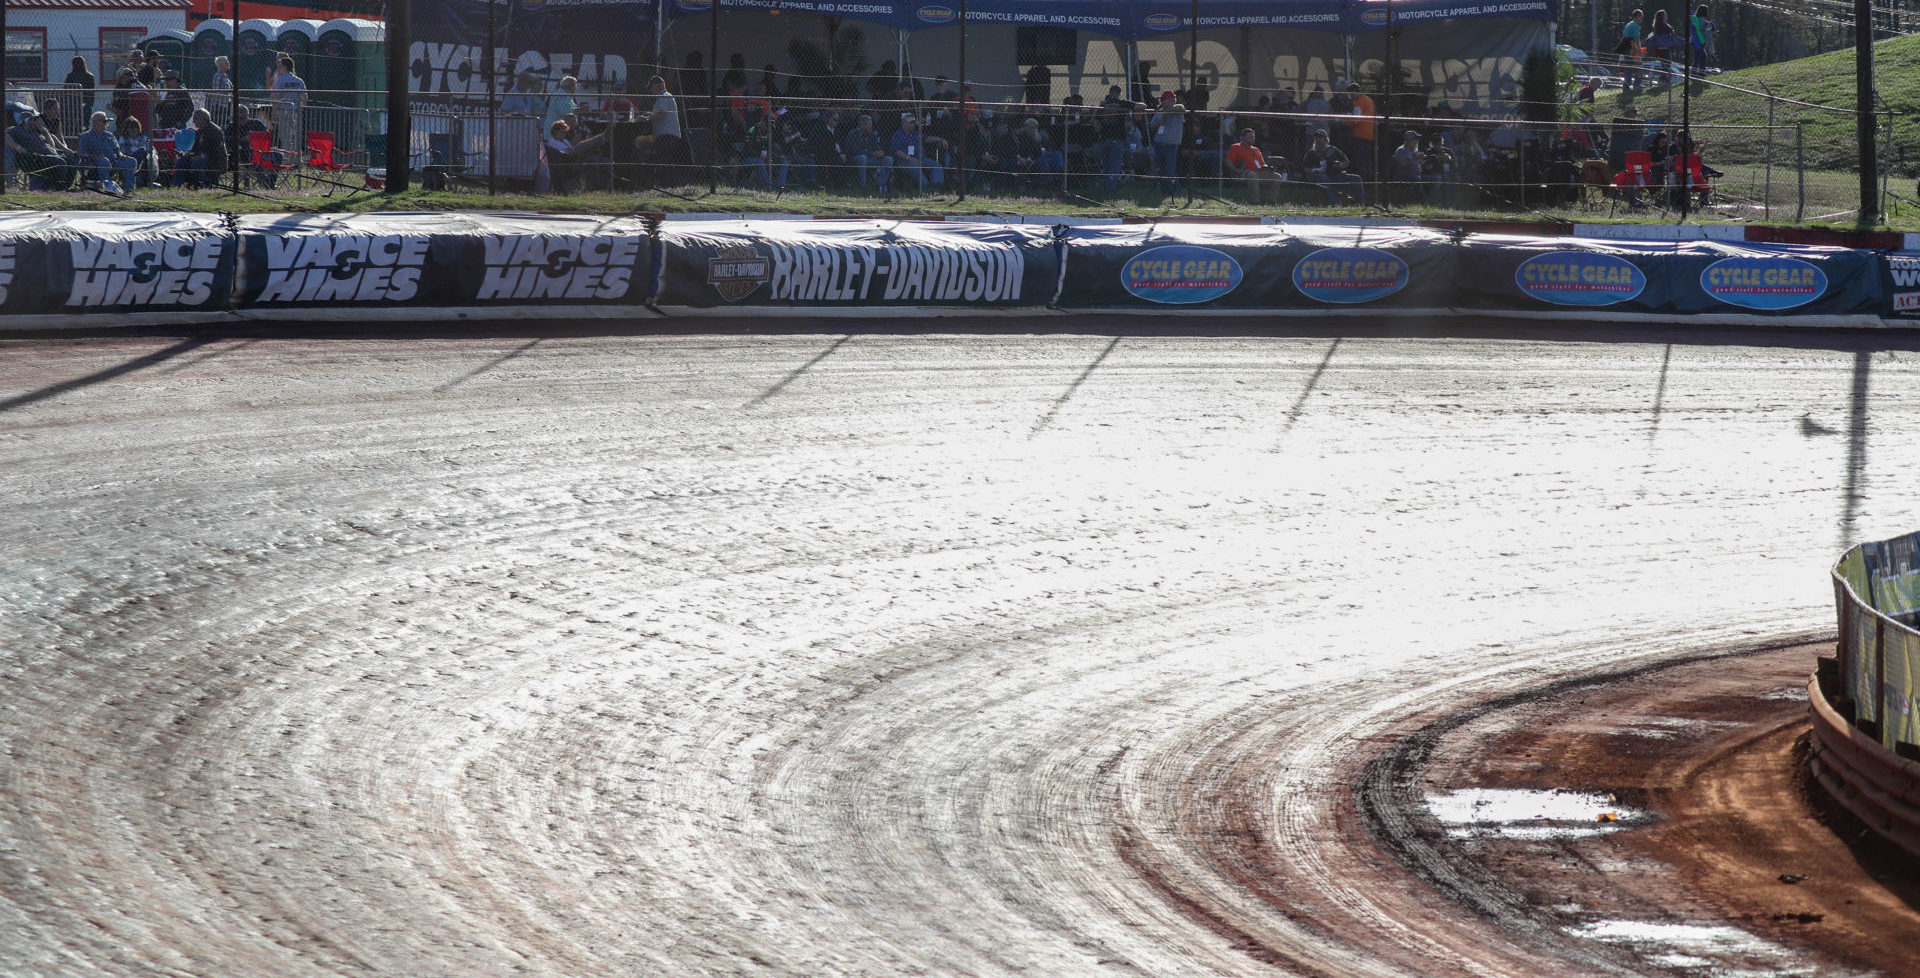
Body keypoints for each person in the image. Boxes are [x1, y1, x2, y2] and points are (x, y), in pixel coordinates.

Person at [6, 112, 77, 189]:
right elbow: (4, 135)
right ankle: (58, 188)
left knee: (72, 160)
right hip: (36, 158)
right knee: (60, 162)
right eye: (34, 120)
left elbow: (52, 146)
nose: (37, 122)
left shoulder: (37, 132)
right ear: (28, 121)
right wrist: (17, 147)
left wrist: (46, 134)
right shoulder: (17, 130)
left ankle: (66, 187)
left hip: (52, 154)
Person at [77, 111, 136, 192]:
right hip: (95, 163)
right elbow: (81, 153)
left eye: (107, 121)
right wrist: (93, 156)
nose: (106, 123)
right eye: (104, 121)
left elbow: (117, 150)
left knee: (131, 161)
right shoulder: (85, 136)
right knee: (104, 161)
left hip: (113, 161)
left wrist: (120, 155)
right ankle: (108, 187)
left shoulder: (110, 135)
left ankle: (128, 189)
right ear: (94, 122)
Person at [1224, 126, 1287, 203]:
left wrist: (1269, 168)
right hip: (1244, 173)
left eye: (1253, 136)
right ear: (1243, 137)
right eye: (1250, 136)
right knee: (1252, 174)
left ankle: (1271, 202)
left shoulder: (1256, 149)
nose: (1252, 138)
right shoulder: (1235, 147)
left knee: (1277, 176)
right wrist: (1236, 170)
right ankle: (1254, 201)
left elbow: (1262, 164)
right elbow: (1228, 161)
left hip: (1259, 172)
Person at [1095, 84, 1138, 193]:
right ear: (1119, 94)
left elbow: (1095, 121)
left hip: (1104, 138)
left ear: (1110, 92)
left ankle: (1106, 187)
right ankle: (1111, 189)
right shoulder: (1122, 103)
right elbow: (1141, 106)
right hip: (1118, 139)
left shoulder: (1103, 105)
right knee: (1115, 166)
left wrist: (1100, 130)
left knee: (1105, 165)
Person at [1302, 127, 1362, 201]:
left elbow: (1346, 162)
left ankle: (1360, 202)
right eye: (1316, 138)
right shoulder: (1311, 153)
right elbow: (1305, 168)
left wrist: (1340, 164)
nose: (1318, 140)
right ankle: (1334, 204)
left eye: (1321, 138)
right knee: (1323, 180)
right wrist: (1315, 172)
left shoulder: (1333, 150)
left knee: (1356, 178)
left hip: (1338, 175)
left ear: (1326, 139)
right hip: (1322, 177)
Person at [176, 108, 227, 188]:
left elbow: (215, 151)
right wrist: (186, 154)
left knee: (197, 163)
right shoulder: (199, 132)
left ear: (202, 120)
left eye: (195, 119)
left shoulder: (216, 131)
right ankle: (176, 185)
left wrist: (200, 156)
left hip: (215, 161)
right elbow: (195, 149)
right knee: (182, 161)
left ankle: (205, 185)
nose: (193, 122)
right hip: (202, 158)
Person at [1147, 90, 1185, 194]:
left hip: (1171, 145)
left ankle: (1176, 190)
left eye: (1166, 99)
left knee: (1170, 169)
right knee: (1160, 168)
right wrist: (1160, 119)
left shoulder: (1177, 110)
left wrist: (1167, 112)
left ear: (1172, 100)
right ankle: (1164, 190)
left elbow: (1181, 108)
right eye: (1163, 100)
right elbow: (1152, 126)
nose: (1163, 102)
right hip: (1159, 144)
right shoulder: (1159, 112)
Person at [888, 112, 935, 193]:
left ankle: (936, 186)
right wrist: (909, 158)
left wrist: (940, 139)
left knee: (936, 166)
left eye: (913, 122)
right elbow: (897, 151)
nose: (912, 125)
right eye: (910, 122)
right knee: (915, 167)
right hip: (904, 161)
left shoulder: (915, 134)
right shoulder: (898, 135)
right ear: (903, 123)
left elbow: (927, 138)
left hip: (920, 159)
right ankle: (926, 188)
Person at [842, 112, 889, 192]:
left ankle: (881, 185)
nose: (871, 127)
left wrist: (881, 153)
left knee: (888, 160)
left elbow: (877, 148)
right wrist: (871, 153)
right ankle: (862, 186)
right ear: (862, 125)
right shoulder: (852, 134)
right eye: (869, 125)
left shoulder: (872, 135)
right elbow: (854, 151)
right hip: (855, 159)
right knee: (862, 158)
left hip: (871, 159)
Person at [271, 56, 307, 152]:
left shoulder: (281, 80)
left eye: (280, 66)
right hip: (295, 110)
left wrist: (274, 111)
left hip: (283, 110)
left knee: (284, 134)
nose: (278, 68)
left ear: (285, 67)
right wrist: (301, 108)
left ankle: (286, 155)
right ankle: (295, 157)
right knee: (295, 134)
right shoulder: (299, 80)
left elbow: (275, 96)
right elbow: (304, 96)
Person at [115, 114, 154, 188]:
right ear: (126, 129)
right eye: (131, 128)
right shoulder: (122, 139)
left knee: (142, 151)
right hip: (128, 159)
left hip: (143, 161)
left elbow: (150, 150)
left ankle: (145, 180)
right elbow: (121, 152)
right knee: (141, 151)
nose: (134, 130)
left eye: (136, 127)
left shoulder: (143, 137)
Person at [1617, 10, 1645, 90]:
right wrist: (1639, 50)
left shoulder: (1628, 24)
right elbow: (1636, 38)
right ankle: (1637, 84)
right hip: (1632, 48)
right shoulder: (1635, 25)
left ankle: (1626, 85)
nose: (1642, 18)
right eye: (1641, 16)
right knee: (1640, 66)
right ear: (1637, 16)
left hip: (1626, 48)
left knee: (1628, 68)